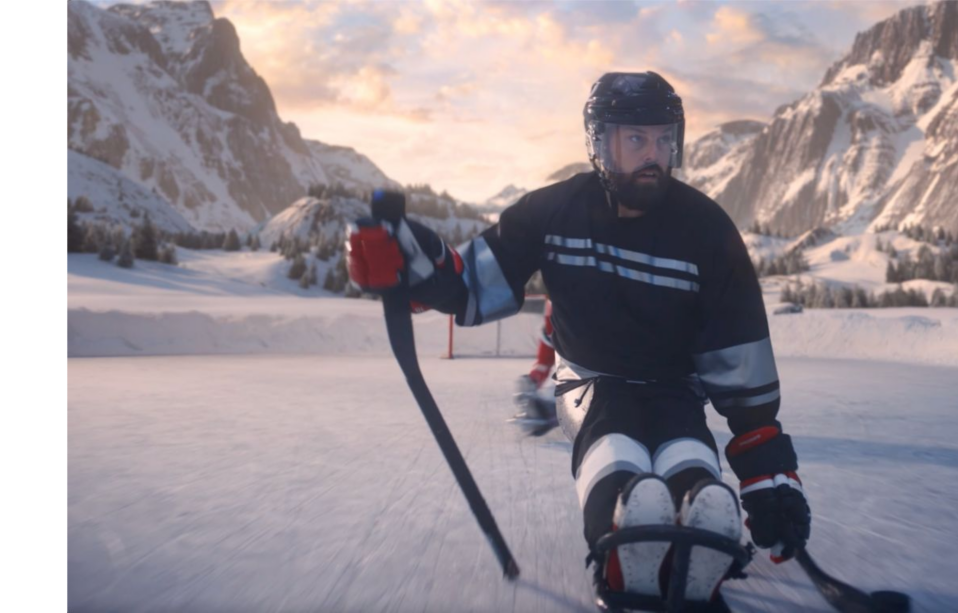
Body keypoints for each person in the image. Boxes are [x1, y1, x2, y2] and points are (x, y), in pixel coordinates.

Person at [347, 71, 810, 608]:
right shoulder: (550, 212)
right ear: (599, 143)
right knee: (618, 452)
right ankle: (624, 548)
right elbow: (472, 287)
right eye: (636, 139)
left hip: (675, 391)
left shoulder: (708, 231)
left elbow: (739, 359)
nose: (653, 154)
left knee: (694, 472)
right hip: (588, 385)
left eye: (663, 139)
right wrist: (415, 265)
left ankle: (696, 543)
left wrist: (769, 477)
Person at [509, 299, 559, 436]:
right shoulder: (554, 310)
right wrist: (535, 378)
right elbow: (547, 356)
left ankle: (551, 405)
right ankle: (549, 405)